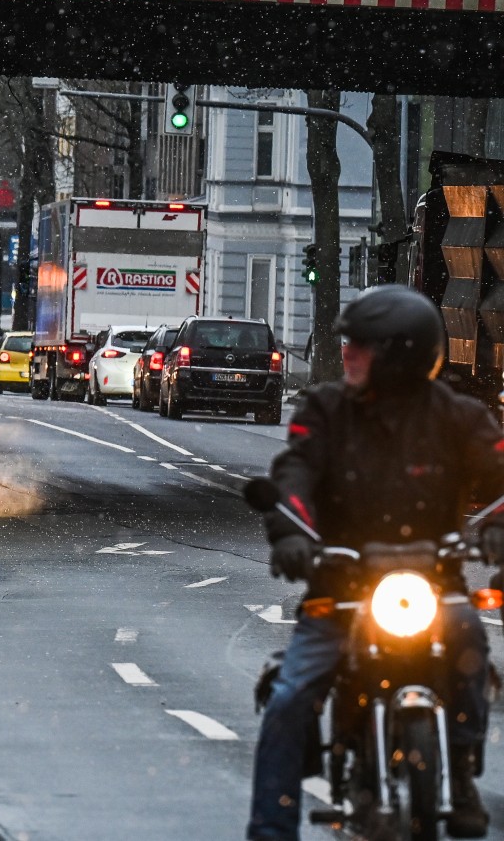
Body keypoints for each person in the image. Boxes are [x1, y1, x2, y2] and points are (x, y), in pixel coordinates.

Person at [249, 284, 504, 841]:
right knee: (290, 695)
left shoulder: (459, 418)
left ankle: (460, 774)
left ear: (401, 354)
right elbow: (293, 473)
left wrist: (497, 528)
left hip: (435, 583)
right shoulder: (325, 410)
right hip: (339, 586)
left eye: (360, 346)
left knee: (469, 648)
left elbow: (500, 476)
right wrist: (291, 532)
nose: (347, 355)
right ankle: (270, 831)